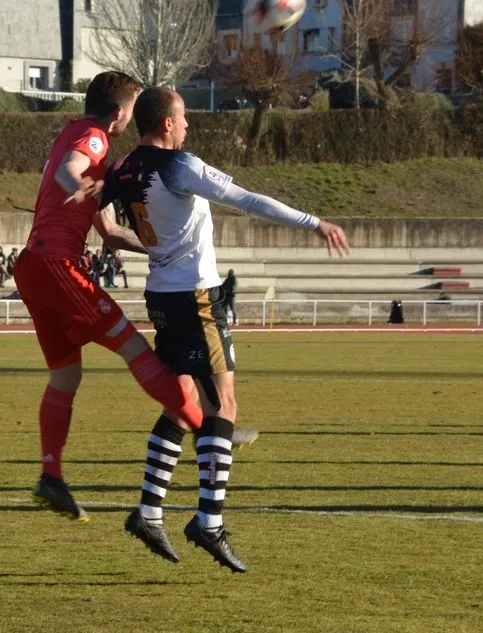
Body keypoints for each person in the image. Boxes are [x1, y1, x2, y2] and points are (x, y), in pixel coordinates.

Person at [100, 87, 351, 572]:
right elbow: (245, 199)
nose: (189, 124)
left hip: (161, 295)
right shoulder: (180, 166)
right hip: (196, 295)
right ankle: (208, 522)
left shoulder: (122, 170)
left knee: (184, 403)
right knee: (224, 404)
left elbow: (107, 231)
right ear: (167, 124)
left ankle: (149, 511)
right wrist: (313, 222)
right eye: (185, 116)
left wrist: (155, 247)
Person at [12, 70, 204, 523]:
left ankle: (51, 477)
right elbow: (69, 170)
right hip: (58, 266)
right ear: (120, 112)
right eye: (134, 109)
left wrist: (157, 248)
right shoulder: (93, 137)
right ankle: (206, 426)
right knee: (134, 347)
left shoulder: (72, 136)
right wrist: (77, 181)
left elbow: (111, 233)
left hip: (35, 266)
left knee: (65, 377)